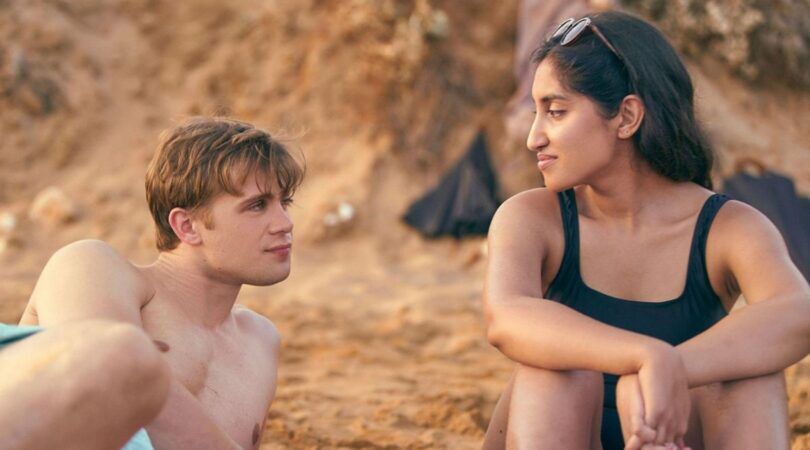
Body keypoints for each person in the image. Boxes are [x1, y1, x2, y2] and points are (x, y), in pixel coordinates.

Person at [482, 11, 809, 450]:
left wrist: (672, 368)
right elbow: (507, 318)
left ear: (626, 116)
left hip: (672, 435)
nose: (533, 137)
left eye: (555, 112)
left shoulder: (726, 227)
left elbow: (796, 312)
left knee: (749, 377)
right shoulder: (533, 218)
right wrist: (645, 356)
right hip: (560, 429)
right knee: (554, 374)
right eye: (537, 112)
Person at [11, 116, 304, 449]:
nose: (285, 223)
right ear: (187, 226)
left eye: (285, 202)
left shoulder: (260, 341)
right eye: (257, 205)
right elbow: (106, 384)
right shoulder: (93, 267)